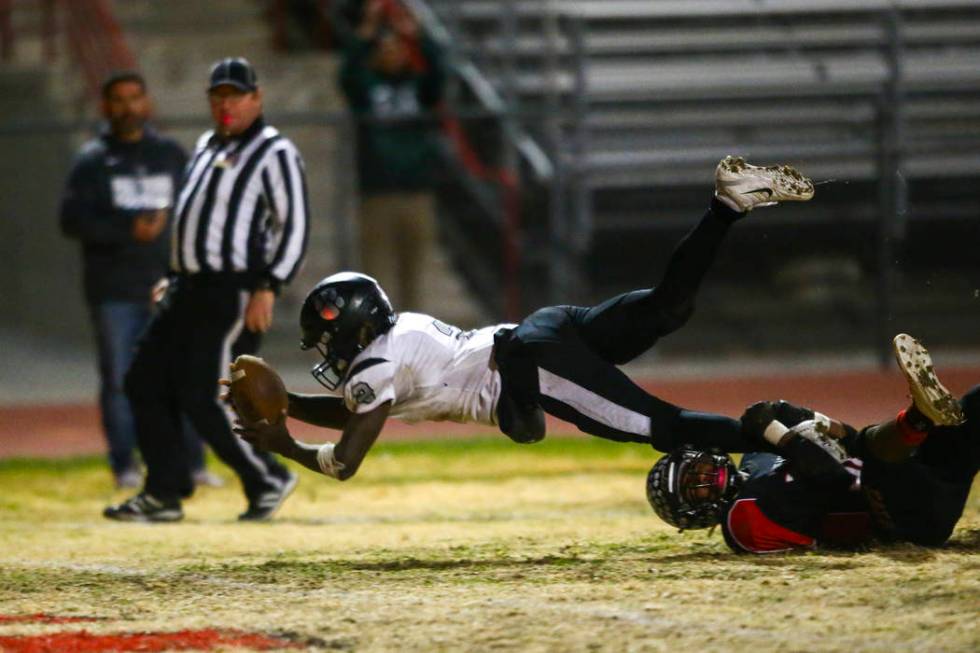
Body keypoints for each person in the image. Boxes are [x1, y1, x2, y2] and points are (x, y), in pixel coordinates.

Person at [232, 156, 816, 482]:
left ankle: (786, 439)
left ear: (355, 328)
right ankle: (726, 205)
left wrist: (284, 442)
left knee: (663, 426)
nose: (330, 354)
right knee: (669, 305)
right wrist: (288, 403)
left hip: (529, 365)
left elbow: (346, 461)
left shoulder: (374, 365)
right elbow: (359, 409)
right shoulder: (396, 336)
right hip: (543, 330)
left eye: (330, 339)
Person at [103, 58, 310, 522]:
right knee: (144, 381)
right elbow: (196, 221)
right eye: (218, 96)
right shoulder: (204, 144)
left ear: (256, 98)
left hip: (231, 290)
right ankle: (164, 489)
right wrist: (176, 274)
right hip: (188, 289)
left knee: (205, 393)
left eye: (235, 95)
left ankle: (267, 477)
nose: (226, 105)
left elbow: (293, 224)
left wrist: (269, 285)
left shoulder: (274, 151)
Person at [646, 334, 976, 552]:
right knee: (868, 454)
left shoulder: (755, 460)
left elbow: (843, 434)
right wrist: (785, 436)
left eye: (696, 467)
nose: (704, 476)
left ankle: (923, 419)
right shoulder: (741, 520)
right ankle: (919, 417)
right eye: (695, 487)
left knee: (973, 409)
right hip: (897, 518)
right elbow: (832, 475)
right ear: (690, 515)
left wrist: (791, 421)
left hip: (913, 472)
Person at [60, 71, 220, 489]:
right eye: (119, 99)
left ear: (146, 103)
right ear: (105, 107)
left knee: (184, 375)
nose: (129, 107)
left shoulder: (170, 154)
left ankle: (193, 464)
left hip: (173, 285)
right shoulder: (93, 160)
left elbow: (197, 212)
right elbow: (71, 220)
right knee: (120, 381)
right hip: (115, 290)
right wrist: (127, 231)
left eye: (135, 97)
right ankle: (126, 466)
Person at [339, 0, 447, 311]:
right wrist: (365, 33)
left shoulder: (420, 87)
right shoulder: (366, 89)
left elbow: (440, 76)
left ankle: (414, 343)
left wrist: (418, 37)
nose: (391, 52)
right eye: (384, 48)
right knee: (375, 277)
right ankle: (378, 344)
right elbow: (347, 76)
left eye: (397, 47)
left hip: (416, 191)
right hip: (377, 193)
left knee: (413, 277)